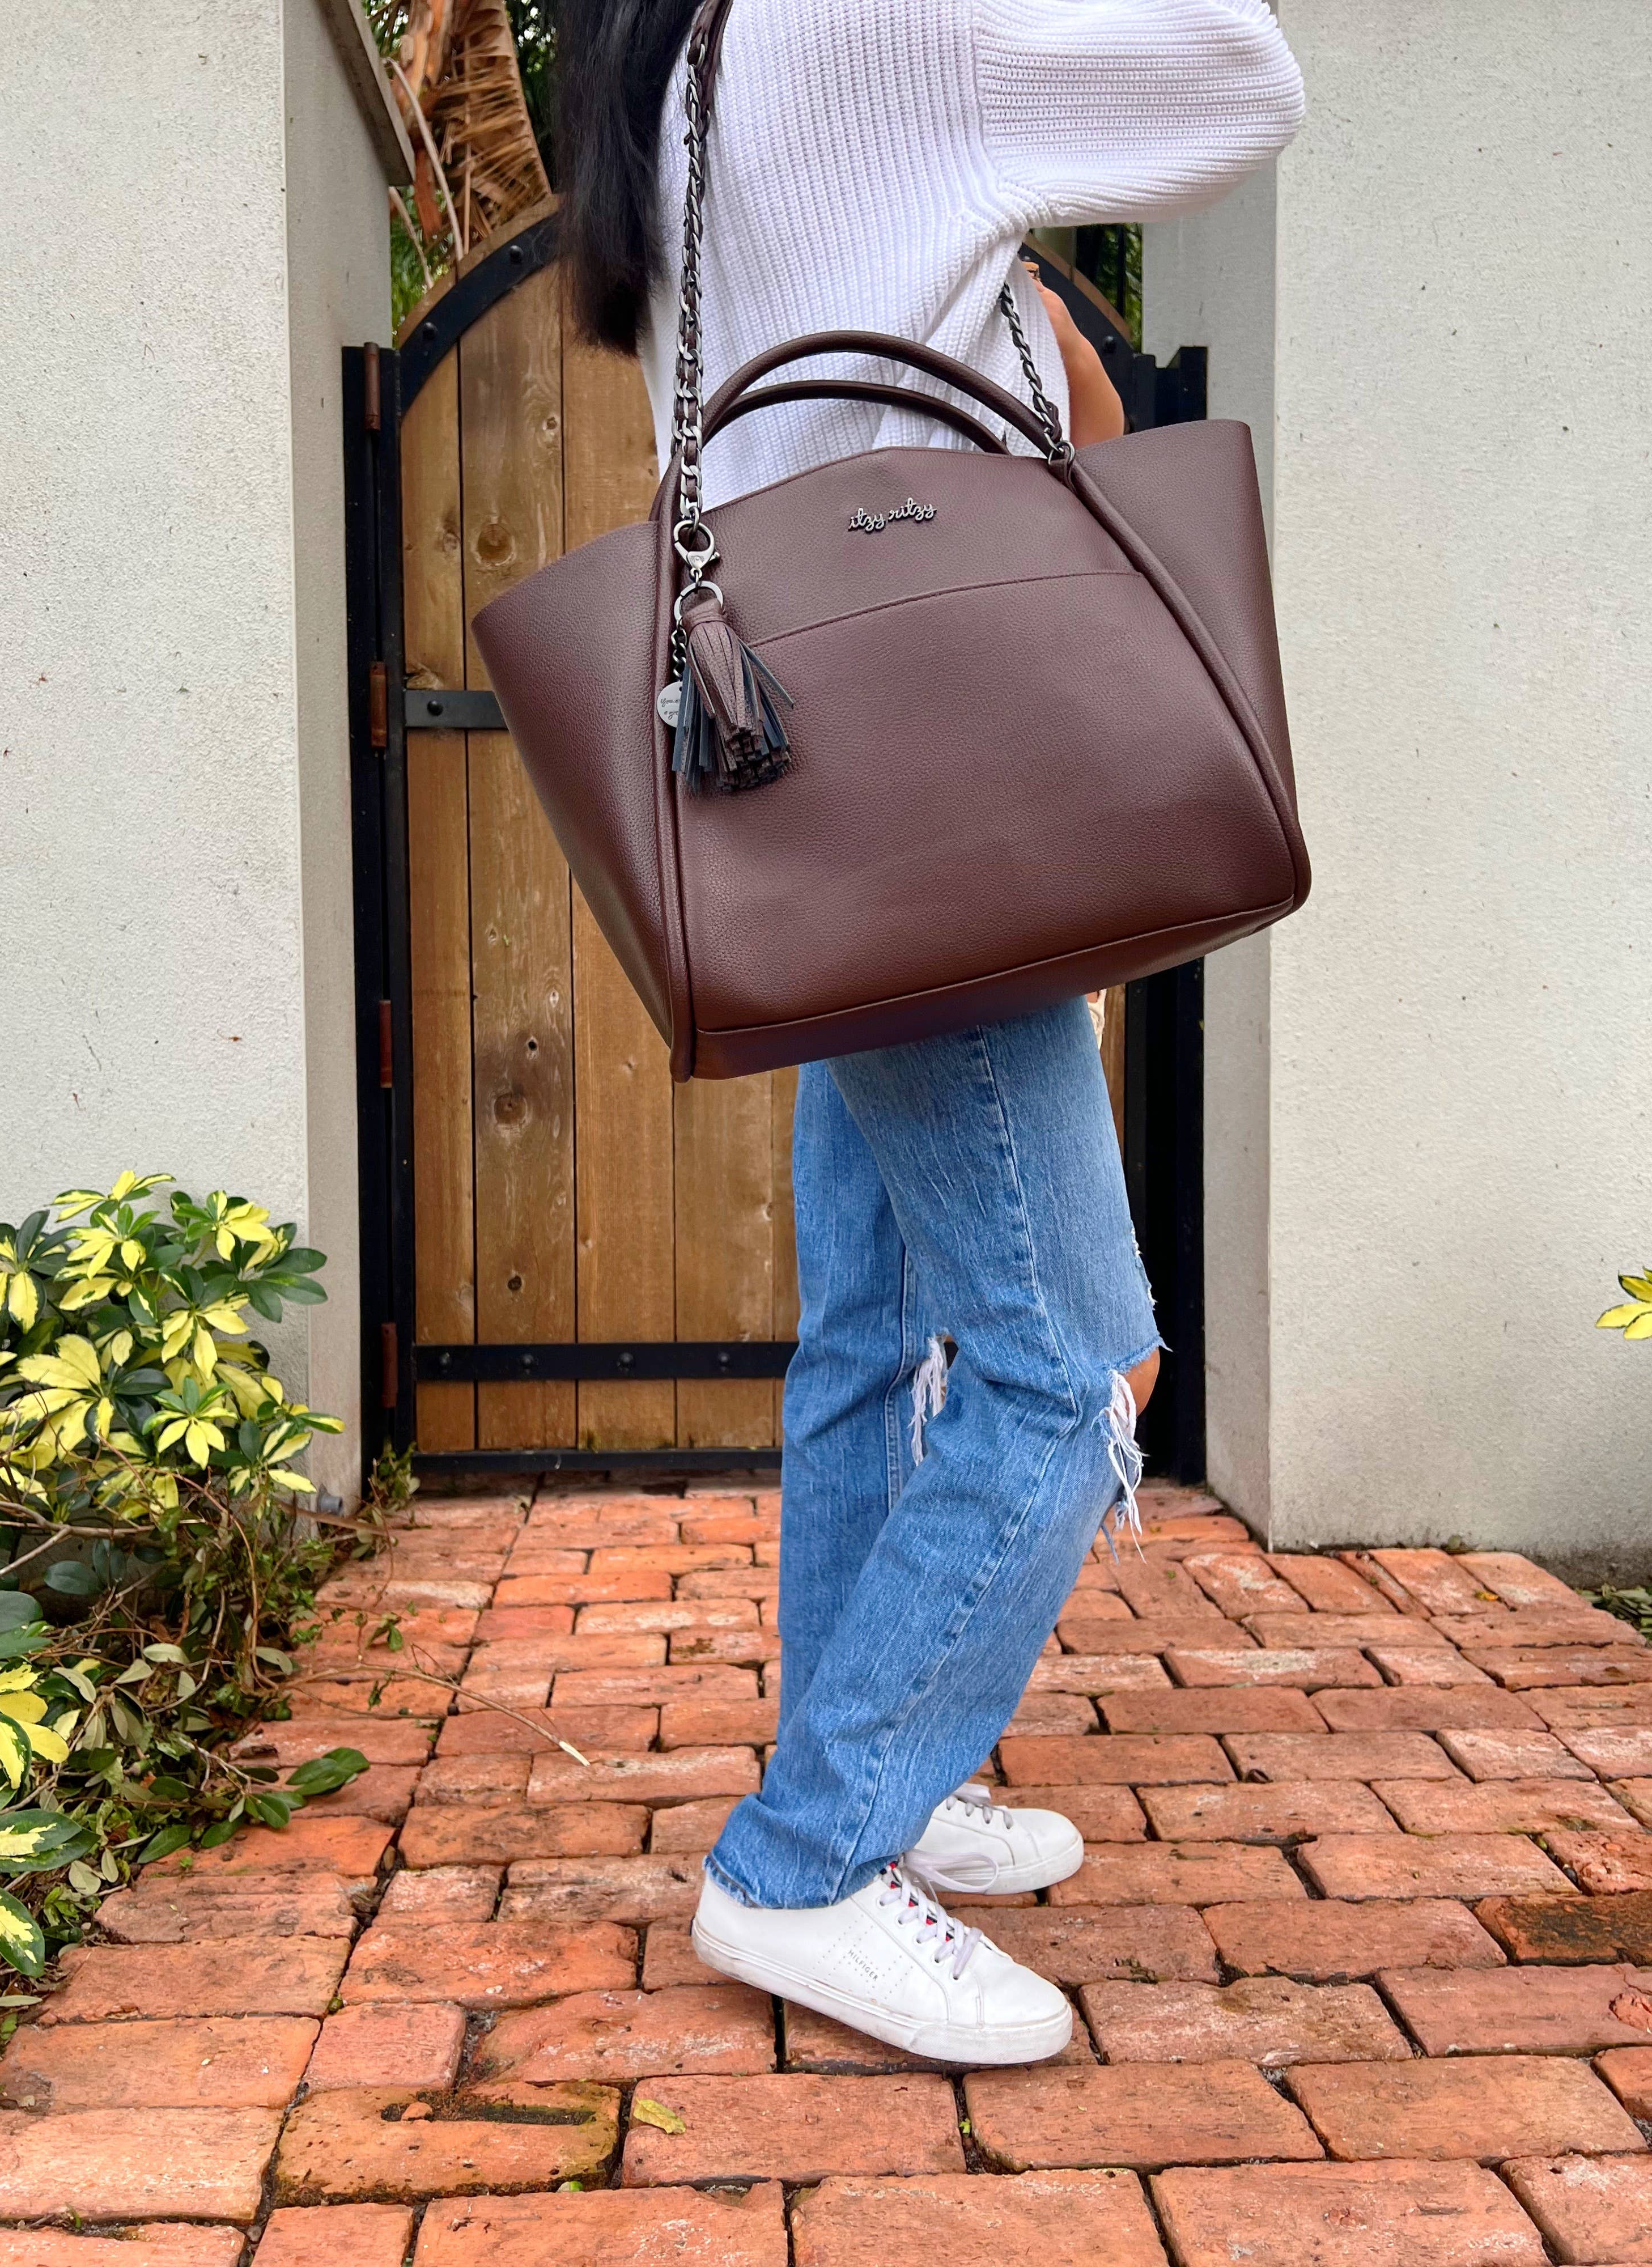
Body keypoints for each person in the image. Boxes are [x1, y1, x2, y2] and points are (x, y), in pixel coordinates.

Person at [557, 0, 1303, 2064]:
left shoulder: (689, 43)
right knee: (1069, 1367)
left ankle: (892, 1772)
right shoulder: (876, 12)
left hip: (822, 756)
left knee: (875, 1334)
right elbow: (1247, 81)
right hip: (940, 780)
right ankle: (808, 1859)